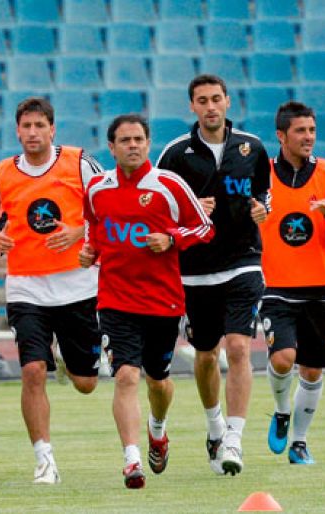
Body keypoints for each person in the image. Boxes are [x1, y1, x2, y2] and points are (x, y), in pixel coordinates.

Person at [82, 114, 214, 488]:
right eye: (125, 140)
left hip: (162, 302)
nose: (133, 145)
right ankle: (131, 460)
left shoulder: (169, 185)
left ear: (148, 142)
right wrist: (88, 250)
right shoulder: (96, 188)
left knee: (158, 382)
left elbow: (205, 226)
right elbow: (93, 227)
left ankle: (158, 430)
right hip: (115, 300)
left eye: (139, 138)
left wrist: (171, 238)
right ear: (111, 147)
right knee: (125, 375)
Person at [157, 74, 271, 476]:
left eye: (216, 99)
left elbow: (263, 195)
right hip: (194, 271)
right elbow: (157, 211)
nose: (210, 106)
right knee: (207, 356)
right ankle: (214, 426)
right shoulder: (175, 154)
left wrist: (262, 209)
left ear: (228, 102)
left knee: (239, 348)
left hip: (243, 261)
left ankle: (235, 440)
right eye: (202, 100)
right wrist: (189, 213)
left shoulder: (253, 148)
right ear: (192, 106)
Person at [0, 97, 103, 484]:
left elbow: (108, 208)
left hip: (78, 286)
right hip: (27, 289)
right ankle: (44, 458)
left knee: (86, 384)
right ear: (17, 131)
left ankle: (71, 362)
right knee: (33, 371)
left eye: (40, 126)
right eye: (27, 127)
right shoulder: (2, 172)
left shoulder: (79, 162)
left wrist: (82, 231)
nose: (33, 133)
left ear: (52, 129)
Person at [260, 101, 325, 464]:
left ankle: (299, 442)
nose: (309, 137)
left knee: (311, 370)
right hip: (275, 285)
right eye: (301, 131)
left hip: (318, 287)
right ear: (281, 135)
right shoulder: (262, 174)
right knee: (283, 358)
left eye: (312, 131)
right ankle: (282, 409)